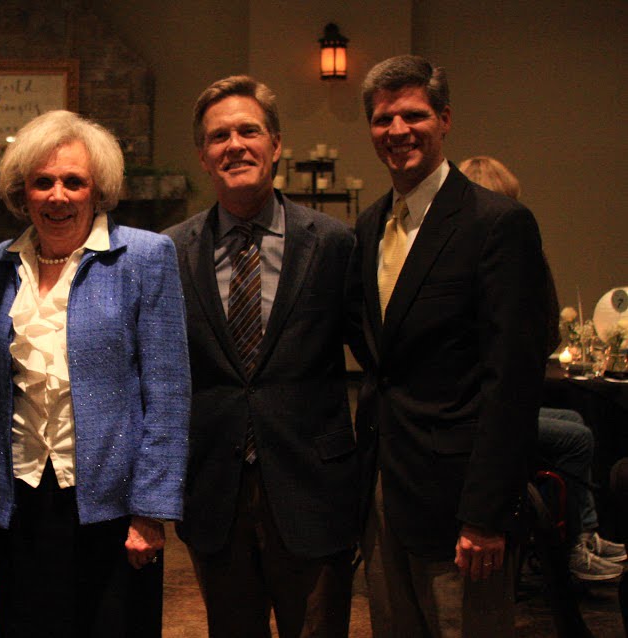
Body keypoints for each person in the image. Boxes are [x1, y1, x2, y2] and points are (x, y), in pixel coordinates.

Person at [354, 55, 551, 637]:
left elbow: (512, 383)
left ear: (444, 119)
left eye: (413, 115)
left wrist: (486, 514)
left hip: (461, 505)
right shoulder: (370, 226)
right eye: (383, 119)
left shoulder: (497, 223)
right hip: (384, 490)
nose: (397, 131)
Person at [0, 109, 190, 637]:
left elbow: (168, 392)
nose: (58, 196)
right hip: (24, 502)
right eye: (42, 182)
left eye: (74, 182)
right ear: (22, 192)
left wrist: (150, 510)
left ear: (99, 191)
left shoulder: (144, 257)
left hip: (115, 509)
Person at [164, 76, 364, 638]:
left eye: (248, 131)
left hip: (312, 489)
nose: (235, 145)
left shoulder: (333, 243)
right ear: (203, 155)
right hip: (215, 494)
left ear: (275, 144)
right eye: (218, 136)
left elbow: (376, 358)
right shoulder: (171, 252)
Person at [459, 155, 626, 581]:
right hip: (481, 418)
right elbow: (538, 339)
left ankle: (585, 532)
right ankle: (574, 546)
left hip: (484, 407)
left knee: (573, 420)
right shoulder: (503, 254)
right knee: (577, 438)